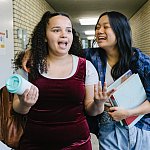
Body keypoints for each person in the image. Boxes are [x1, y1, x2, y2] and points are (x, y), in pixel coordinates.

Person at [22, 11, 150, 150]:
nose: (99, 31)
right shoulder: (91, 56)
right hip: (108, 126)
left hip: (140, 126)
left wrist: (129, 113)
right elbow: (61, 49)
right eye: (97, 27)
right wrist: (32, 52)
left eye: (105, 27)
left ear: (120, 30)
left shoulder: (141, 61)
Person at [13, 11, 114, 150]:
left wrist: (99, 103)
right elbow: (18, 108)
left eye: (68, 30)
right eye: (56, 30)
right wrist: (25, 103)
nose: (64, 34)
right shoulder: (29, 65)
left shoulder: (86, 66)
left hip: (77, 144)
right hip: (34, 143)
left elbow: (92, 111)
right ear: (44, 37)